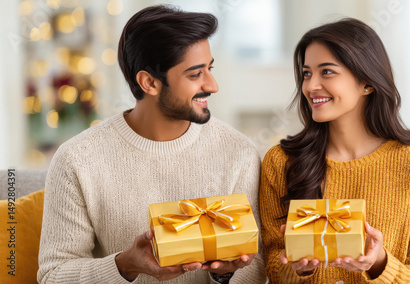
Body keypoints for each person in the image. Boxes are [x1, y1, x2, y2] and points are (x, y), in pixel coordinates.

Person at [38, 5, 266, 284]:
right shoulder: (77, 159)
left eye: (210, 68)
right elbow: (53, 275)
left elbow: (256, 266)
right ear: (149, 82)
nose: (213, 85)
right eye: (195, 74)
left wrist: (225, 273)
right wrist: (125, 266)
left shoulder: (239, 153)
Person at [259, 18, 410, 283]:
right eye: (307, 73)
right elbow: (272, 267)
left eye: (327, 72)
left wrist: (379, 263)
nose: (311, 86)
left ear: (366, 83)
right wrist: (297, 269)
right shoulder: (280, 162)